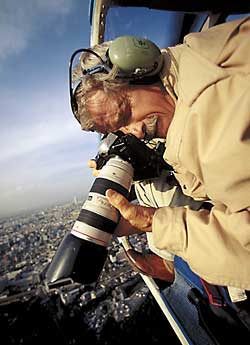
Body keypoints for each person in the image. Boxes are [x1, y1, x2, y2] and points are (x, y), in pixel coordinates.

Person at [73, 16, 250, 290]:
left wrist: (152, 221)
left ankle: (170, 264)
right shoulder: (201, 50)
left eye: (126, 114)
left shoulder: (212, 133)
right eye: (121, 130)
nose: (136, 132)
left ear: (139, 69)